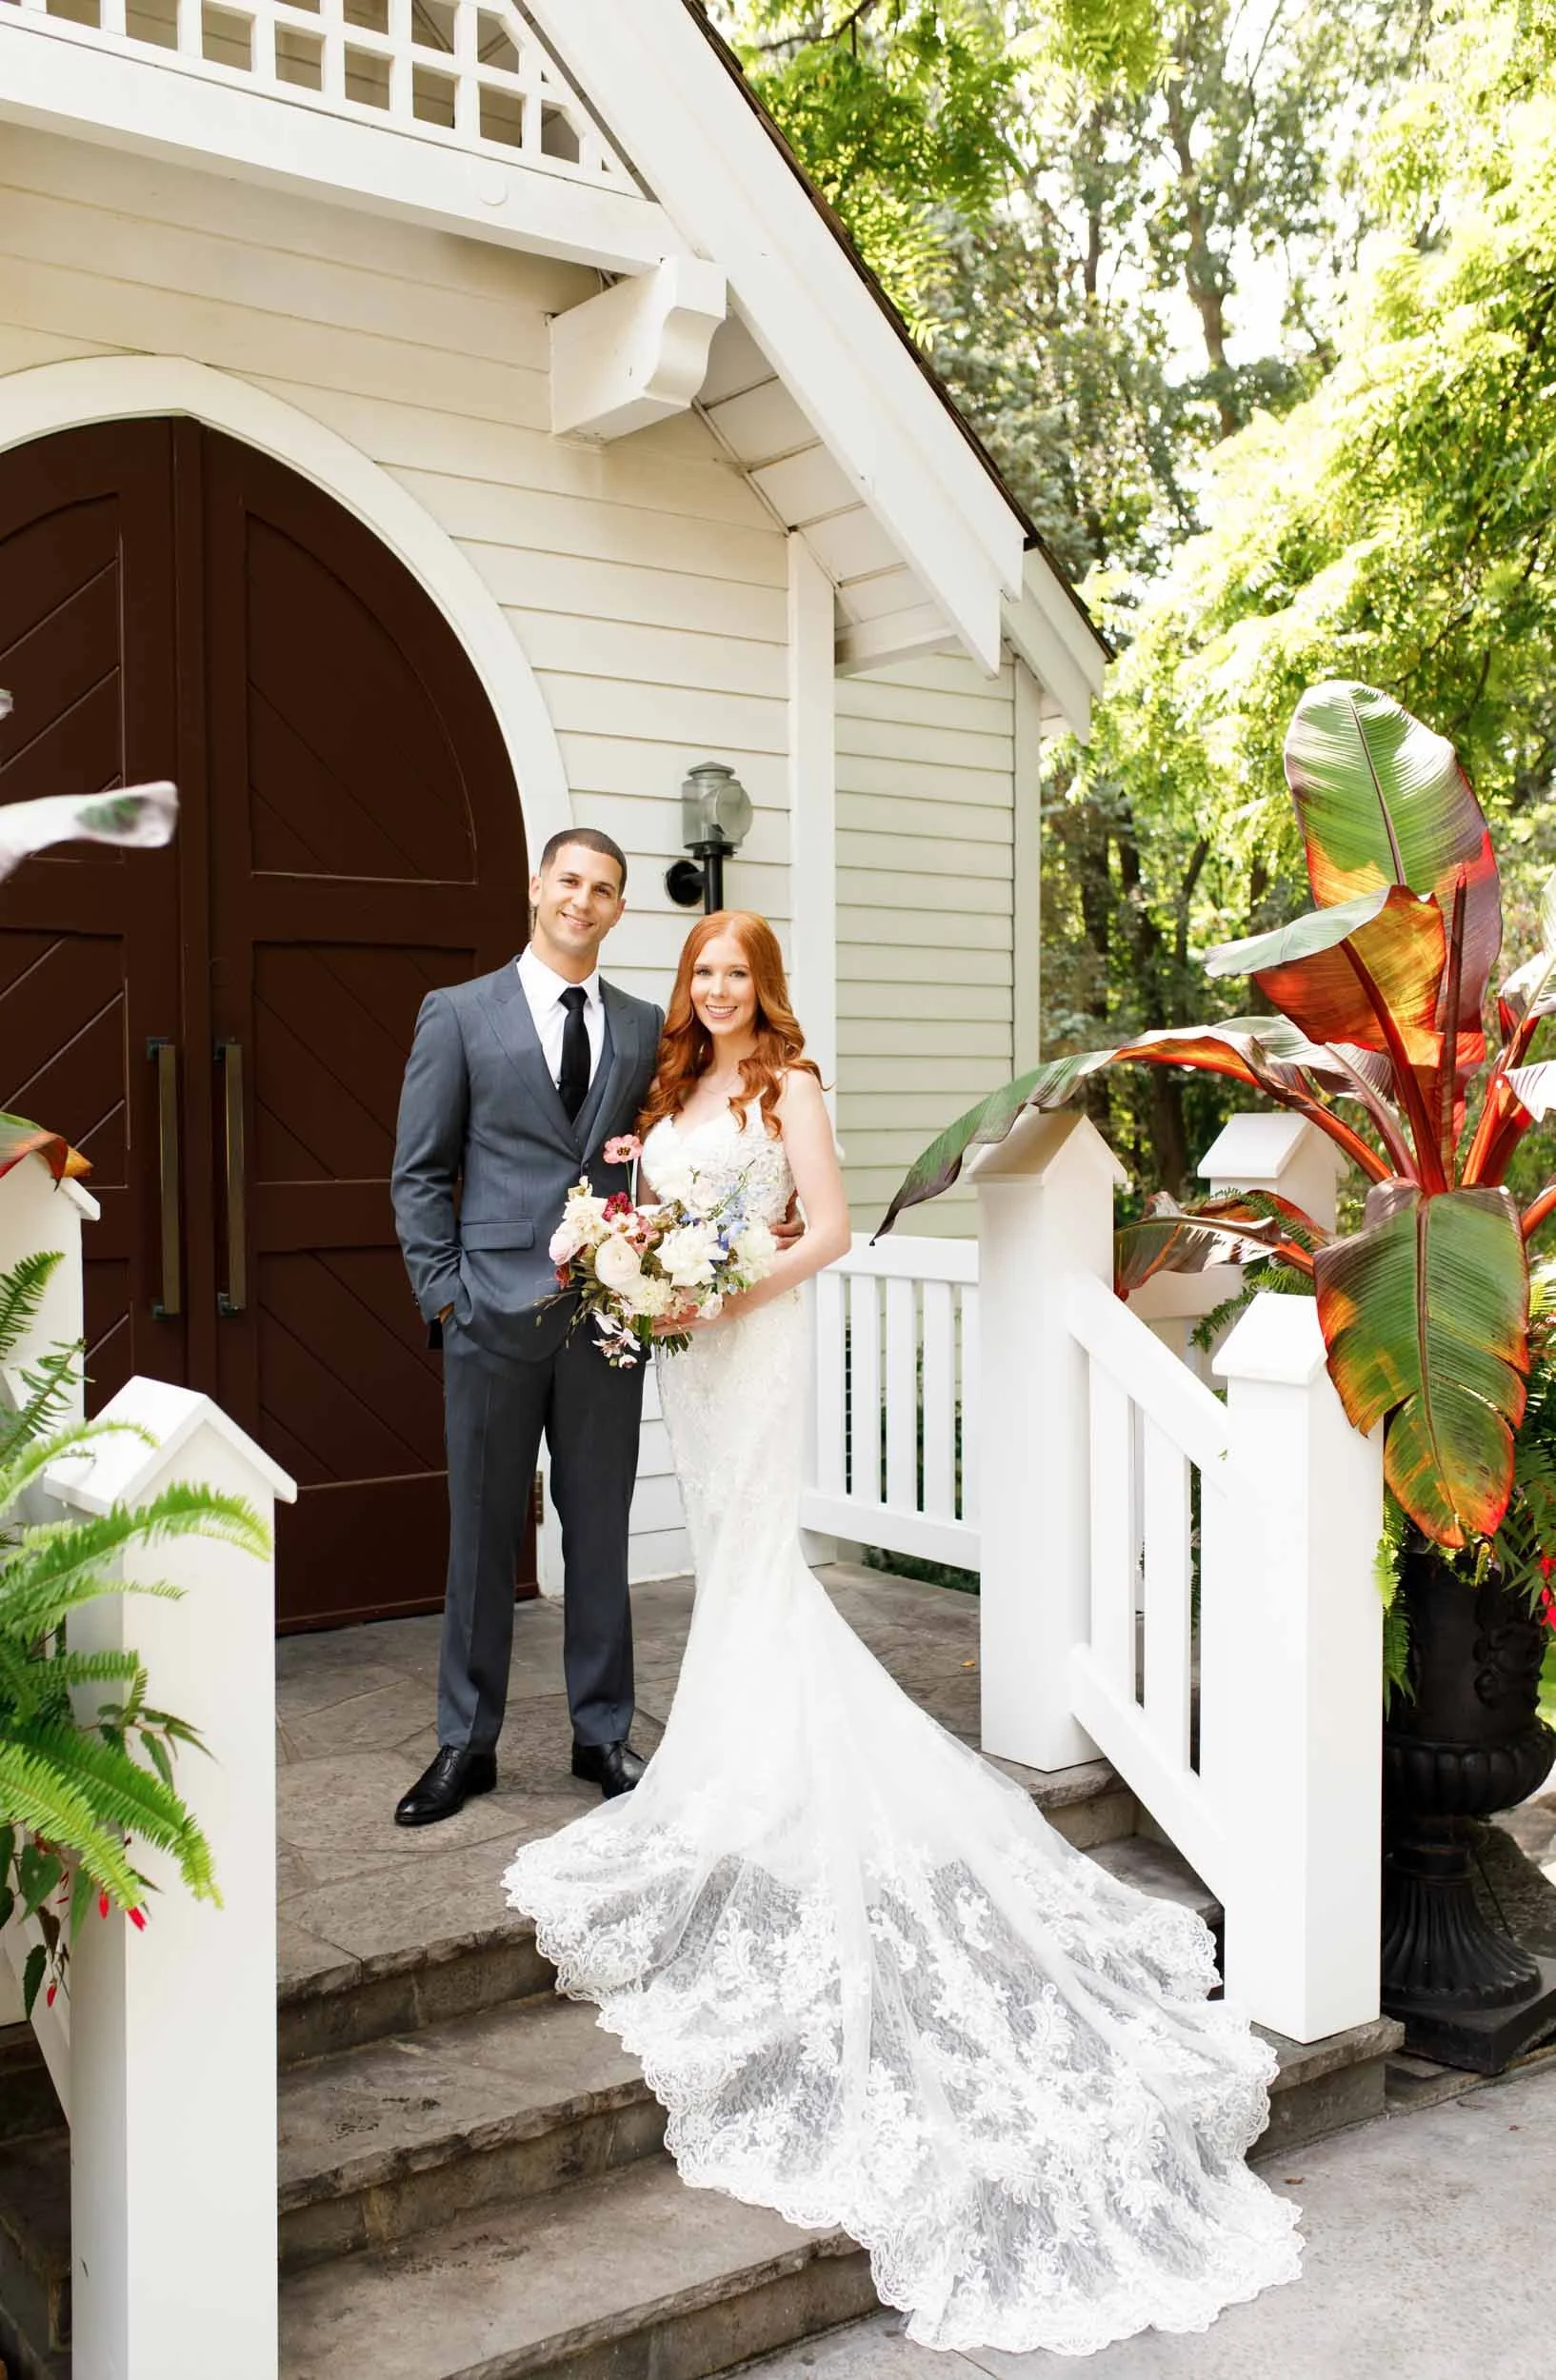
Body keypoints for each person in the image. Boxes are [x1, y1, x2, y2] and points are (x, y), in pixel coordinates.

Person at [504, 910, 1303, 2358]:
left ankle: (751, 1774)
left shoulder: (783, 1089)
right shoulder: (669, 1091)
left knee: (756, 1554)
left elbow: (819, 1229)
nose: (718, 990)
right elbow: (637, 1210)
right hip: (692, 1348)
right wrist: (636, 1268)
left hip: (755, 1338)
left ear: (769, 988)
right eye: (703, 973)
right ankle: (738, 1758)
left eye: (737, 973)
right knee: (741, 1562)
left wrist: (719, 1288)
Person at [389, 830, 663, 1824]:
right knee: (479, 1539)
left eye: (602, 890)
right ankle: (464, 1744)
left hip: (604, 1323)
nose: (582, 901)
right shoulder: (458, 1015)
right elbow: (418, 1171)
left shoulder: (642, 1025)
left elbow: (659, 1154)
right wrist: (446, 1297)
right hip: (489, 1318)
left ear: (617, 908)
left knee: (598, 1534)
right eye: (569, 882)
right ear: (536, 888)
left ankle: (603, 1736)